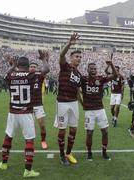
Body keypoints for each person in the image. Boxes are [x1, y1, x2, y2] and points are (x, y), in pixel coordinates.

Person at [0, 50, 50, 178]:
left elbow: (6, 75)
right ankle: (27, 170)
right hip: (26, 112)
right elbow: (47, 69)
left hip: (13, 112)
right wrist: (43, 59)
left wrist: (12, 65)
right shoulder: (32, 74)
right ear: (28, 66)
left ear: (18, 65)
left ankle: (4, 163)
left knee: (8, 136)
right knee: (29, 140)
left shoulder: (12, 75)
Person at [53, 33, 82, 166]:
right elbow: (61, 55)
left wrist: (83, 104)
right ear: (71, 58)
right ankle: (61, 155)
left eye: (80, 57)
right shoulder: (65, 67)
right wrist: (70, 43)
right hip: (62, 103)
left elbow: (77, 91)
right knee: (62, 130)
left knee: (74, 130)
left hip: (74, 103)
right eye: (76, 56)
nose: (79, 59)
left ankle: (68, 153)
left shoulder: (78, 74)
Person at [82, 58, 117, 161]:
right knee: (89, 133)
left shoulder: (100, 78)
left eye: (95, 69)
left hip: (100, 109)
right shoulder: (83, 79)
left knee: (105, 132)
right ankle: (89, 152)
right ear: (87, 70)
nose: (93, 70)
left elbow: (115, 76)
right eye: (91, 69)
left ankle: (104, 152)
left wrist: (111, 64)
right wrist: (81, 102)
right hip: (89, 110)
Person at [29, 61, 50, 149]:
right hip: (28, 106)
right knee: (30, 126)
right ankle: (30, 142)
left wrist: (45, 60)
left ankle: (43, 140)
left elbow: (46, 70)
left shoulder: (40, 76)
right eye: (31, 66)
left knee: (42, 125)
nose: (33, 67)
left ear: (37, 68)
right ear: (28, 68)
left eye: (34, 66)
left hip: (38, 105)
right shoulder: (24, 76)